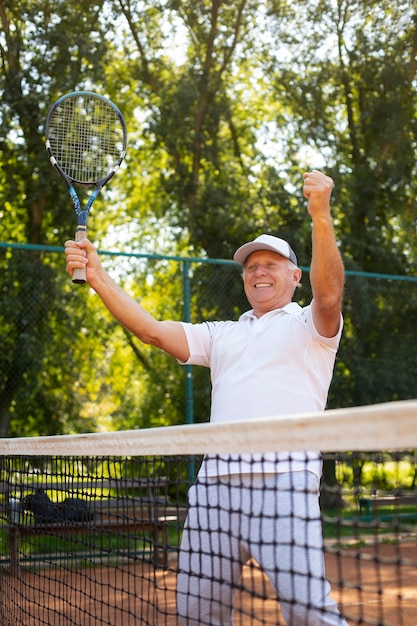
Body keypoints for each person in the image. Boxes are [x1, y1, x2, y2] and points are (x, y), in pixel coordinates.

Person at [65, 169, 347, 626]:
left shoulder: (310, 327)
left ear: (295, 276)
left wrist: (320, 215)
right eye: (251, 266)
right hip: (214, 491)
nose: (258, 271)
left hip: (285, 482)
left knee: (310, 615)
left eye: (270, 264)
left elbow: (330, 294)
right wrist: (96, 275)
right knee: (195, 614)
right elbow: (152, 331)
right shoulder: (222, 336)